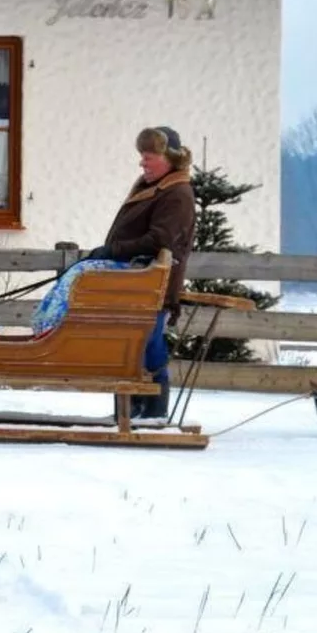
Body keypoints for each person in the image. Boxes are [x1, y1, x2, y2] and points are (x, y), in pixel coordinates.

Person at [85, 126, 197, 419]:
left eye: (150, 156)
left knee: (147, 345)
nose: (143, 162)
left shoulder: (177, 194)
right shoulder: (154, 186)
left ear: (170, 158)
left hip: (151, 284)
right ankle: (131, 409)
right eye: (142, 155)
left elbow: (161, 241)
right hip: (135, 283)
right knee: (133, 346)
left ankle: (150, 411)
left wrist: (114, 250)